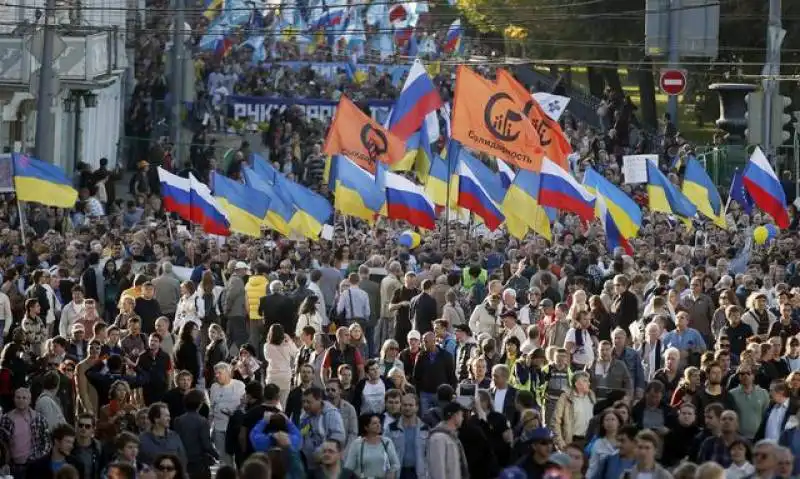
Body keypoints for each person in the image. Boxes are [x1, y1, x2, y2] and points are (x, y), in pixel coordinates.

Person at [0, 387, 51, 476]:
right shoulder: (6, 419)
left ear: (30, 400)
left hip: (34, 464)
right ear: (14, 399)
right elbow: (3, 442)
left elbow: (47, 442)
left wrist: (37, 457)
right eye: (18, 397)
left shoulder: (39, 419)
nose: (21, 400)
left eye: (24, 398)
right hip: (13, 465)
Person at [173, 389, 219, 479]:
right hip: (199, 461)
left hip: (183, 459)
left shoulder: (178, 420)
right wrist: (216, 455)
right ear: (200, 404)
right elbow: (206, 444)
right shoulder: (202, 421)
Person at [208, 362, 246, 466]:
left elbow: (244, 404)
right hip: (219, 427)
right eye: (216, 373)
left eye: (219, 373)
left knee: (237, 457)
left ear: (228, 373)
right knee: (223, 458)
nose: (217, 376)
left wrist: (233, 413)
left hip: (234, 427)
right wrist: (209, 426)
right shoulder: (214, 387)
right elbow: (211, 408)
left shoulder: (239, 385)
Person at [385, 393, 430, 479]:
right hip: (398, 473)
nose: (407, 408)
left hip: (419, 473)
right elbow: (385, 453)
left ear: (417, 407)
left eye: (411, 405)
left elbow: (430, 454)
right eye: (405, 405)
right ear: (401, 406)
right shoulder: (391, 428)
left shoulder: (425, 429)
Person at [343, 413, 400, 478]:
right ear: (366, 427)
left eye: (379, 422)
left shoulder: (387, 442)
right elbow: (349, 467)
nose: (378, 425)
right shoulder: (357, 444)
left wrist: (391, 474)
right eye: (374, 423)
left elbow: (395, 464)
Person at [137, 402, 187, 468]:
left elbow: (183, 460)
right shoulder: (141, 440)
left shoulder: (174, 436)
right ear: (156, 419)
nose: (169, 418)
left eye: (169, 416)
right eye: (166, 416)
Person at [427, 402, 469, 479]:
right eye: (461, 415)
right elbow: (438, 470)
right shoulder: (438, 438)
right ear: (455, 416)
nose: (462, 418)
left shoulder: (452, 437)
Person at [263, 323, 298, 408]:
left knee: (271, 403)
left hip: (272, 376)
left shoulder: (267, 346)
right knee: (283, 403)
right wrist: (289, 340)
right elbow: (296, 352)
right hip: (285, 376)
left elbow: (267, 358)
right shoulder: (287, 346)